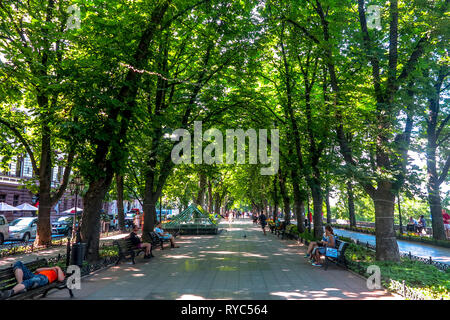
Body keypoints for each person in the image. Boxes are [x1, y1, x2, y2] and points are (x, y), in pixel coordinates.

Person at [0, 261, 65, 299]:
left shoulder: (59, 272)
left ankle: (10, 292)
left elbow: (61, 279)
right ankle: (21, 284)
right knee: (18, 263)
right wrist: (50, 268)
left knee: (31, 281)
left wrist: (58, 269)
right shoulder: (50, 269)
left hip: (44, 278)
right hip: (34, 275)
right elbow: (37, 270)